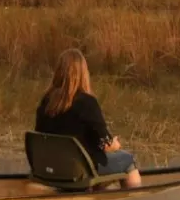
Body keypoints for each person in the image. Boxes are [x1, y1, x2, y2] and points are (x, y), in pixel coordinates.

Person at [35, 48, 141, 188]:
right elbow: (105, 144)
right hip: (79, 170)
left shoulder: (46, 101)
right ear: (83, 74)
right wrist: (115, 145)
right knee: (127, 160)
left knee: (96, 162)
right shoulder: (87, 102)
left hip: (49, 168)